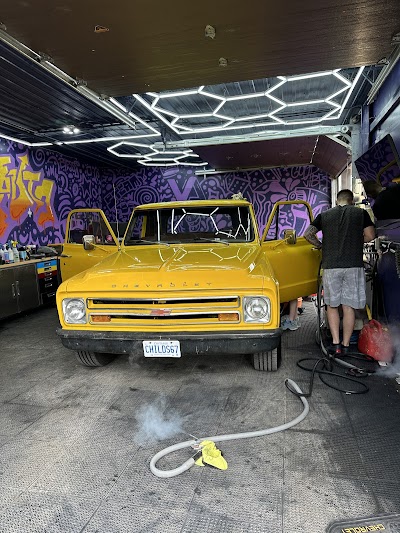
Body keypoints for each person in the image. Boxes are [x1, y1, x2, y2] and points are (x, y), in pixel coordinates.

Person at [304, 189, 375, 355]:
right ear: (352, 201)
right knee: (348, 307)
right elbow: (370, 235)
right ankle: (346, 345)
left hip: (331, 267)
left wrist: (321, 245)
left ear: (337, 201)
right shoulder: (360, 213)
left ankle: (335, 344)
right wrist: (357, 241)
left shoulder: (325, 215)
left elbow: (308, 234)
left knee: (332, 306)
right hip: (353, 266)